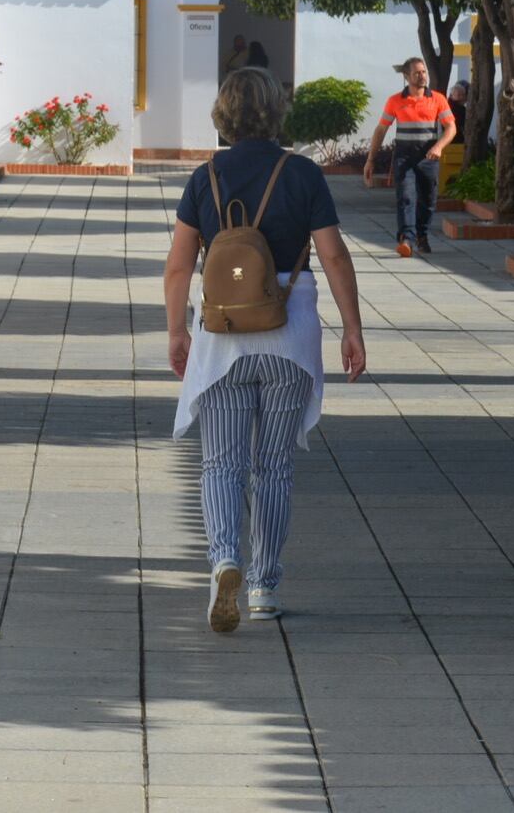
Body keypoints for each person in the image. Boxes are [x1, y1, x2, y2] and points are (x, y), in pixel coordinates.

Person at [165, 68, 368, 632]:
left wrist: (177, 332)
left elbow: (180, 264)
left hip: (223, 335)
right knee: (273, 467)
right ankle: (263, 587)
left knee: (221, 464)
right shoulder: (301, 174)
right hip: (289, 334)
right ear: (276, 112)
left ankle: (224, 559)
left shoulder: (203, 177)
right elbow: (333, 257)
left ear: (222, 114)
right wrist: (353, 329)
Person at [362, 57, 457, 257]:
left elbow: (451, 128)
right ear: (407, 77)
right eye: (417, 73)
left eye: (423, 72)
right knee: (405, 197)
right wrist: (370, 160)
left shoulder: (438, 99)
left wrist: (439, 146)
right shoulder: (395, 101)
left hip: (429, 156)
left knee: (428, 201)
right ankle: (406, 239)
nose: (422, 76)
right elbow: (381, 130)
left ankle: (422, 235)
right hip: (404, 157)